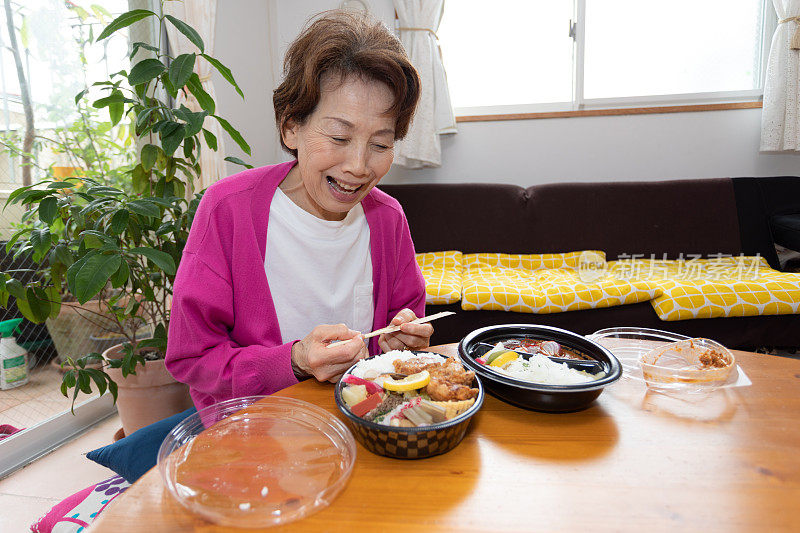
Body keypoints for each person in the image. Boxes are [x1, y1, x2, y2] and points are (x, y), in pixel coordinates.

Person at [165, 11, 432, 411]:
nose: (359, 166)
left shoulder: (388, 219)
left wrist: (399, 344)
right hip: (251, 428)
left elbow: (394, 331)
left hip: (360, 421)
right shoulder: (227, 211)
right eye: (339, 136)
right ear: (291, 127)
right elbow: (193, 358)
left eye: (380, 144)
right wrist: (293, 361)